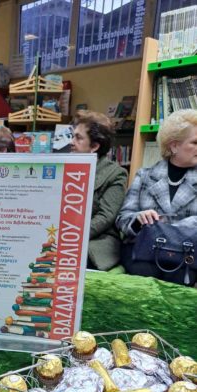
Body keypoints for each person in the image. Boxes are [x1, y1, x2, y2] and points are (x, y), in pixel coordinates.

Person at [117, 109, 197, 285]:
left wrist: (180, 227)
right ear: (174, 146)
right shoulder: (144, 176)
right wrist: (138, 219)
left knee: (180, 279)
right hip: (144, 253)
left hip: (186, 255)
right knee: (143, 277)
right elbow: (123, 218)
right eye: (195, 142)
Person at [71, 110, 127, 271]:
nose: (71, 142)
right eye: (73, 136)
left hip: (95, 240)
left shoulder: (115, 174)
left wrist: (73, 236)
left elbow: (106, 216)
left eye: (78, 138)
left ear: (94, 146)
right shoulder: (66, 167)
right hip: (64, 236)